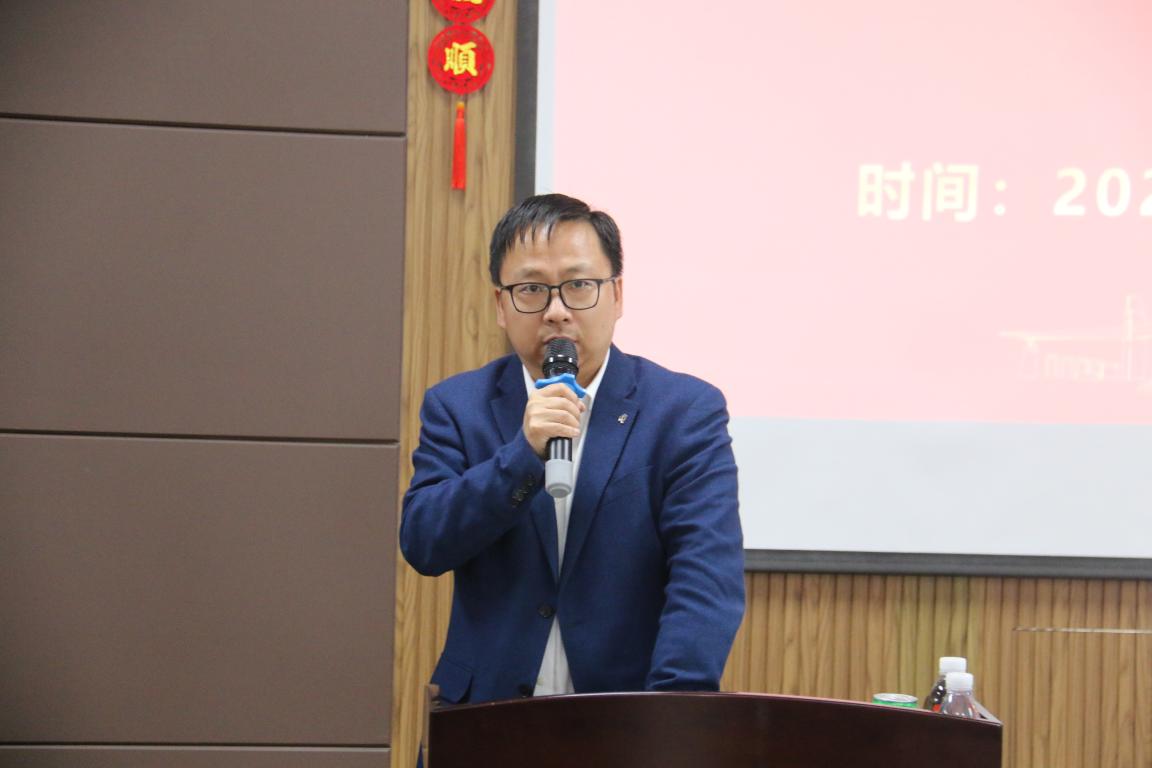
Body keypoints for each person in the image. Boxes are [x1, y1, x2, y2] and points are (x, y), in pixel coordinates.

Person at [400, 193, 745, 705]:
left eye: (579, 285)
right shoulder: (458, 405)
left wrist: (668, 717)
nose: (557, 312)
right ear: (500, 305)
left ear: (617, 295)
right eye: (531, 289)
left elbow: (706, 577)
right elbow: (425, 544)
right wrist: (521, 455)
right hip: (486, 716)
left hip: (626, 716)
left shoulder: (683, 412)